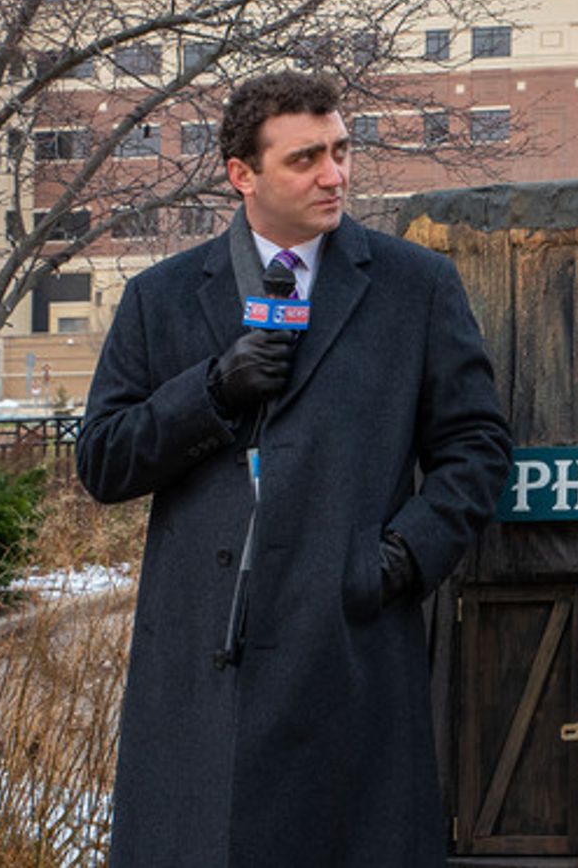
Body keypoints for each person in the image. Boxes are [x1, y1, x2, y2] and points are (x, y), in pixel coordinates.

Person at [77, 71, 513, 867]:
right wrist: (208, 391)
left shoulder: (415, 287)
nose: (335, 175)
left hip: (347, 653)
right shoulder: (162, 297)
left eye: (341, 151)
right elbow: (104, 461)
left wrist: (397, 560)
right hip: (201, 675)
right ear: (243, 174)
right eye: (306, 158)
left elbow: (476, 447)